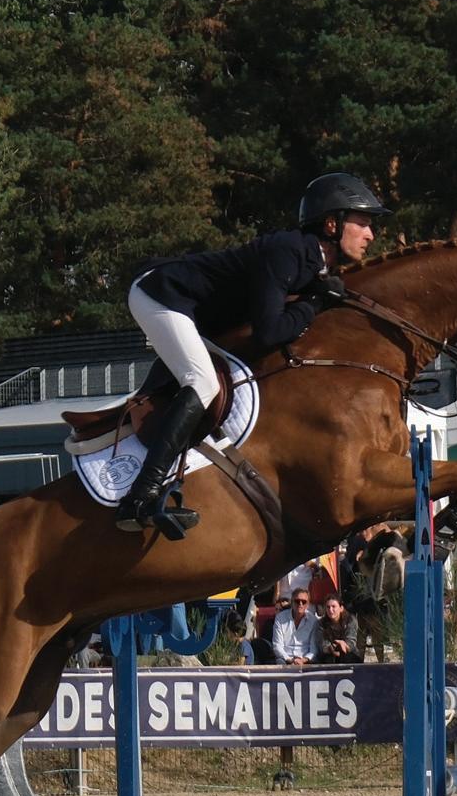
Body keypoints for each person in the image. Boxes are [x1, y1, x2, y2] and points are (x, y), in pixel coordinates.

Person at [118, 172, 391, 535]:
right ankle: (140, 496)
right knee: (202, 383)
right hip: (162, 293)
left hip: (196, 313)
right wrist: (312, 304)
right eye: (363, 223)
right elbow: (269, 332)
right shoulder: (288, 251)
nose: (371, 234)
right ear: (332, 224)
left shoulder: (314, 263)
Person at [269, 589, 319, 666]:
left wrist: (303, 660)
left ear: (308, 604)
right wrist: (290, 660)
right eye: (297, 601)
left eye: (304, 602)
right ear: (292, 602)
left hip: (305, 661)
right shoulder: (280, 618)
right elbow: (277, 646)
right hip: (285, 659)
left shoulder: (313, 621)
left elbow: (313, 649)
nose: (300, 604)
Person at [313, 595, 359, 664]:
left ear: (341, 608)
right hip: (328, 654)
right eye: (328, 607)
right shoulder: (320, 623)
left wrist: (344, 645)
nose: (330, 610)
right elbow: (322, 644)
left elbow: (351, 641)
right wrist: (333, 647)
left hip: (348, 652)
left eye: (333, 606)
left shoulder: (350, 620)